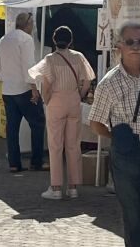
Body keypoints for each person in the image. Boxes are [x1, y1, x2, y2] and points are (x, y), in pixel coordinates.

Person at [88, 22, 140, 247]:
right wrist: (118, 138)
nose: (136, 46)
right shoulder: (109, 83)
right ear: (119, 46)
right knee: (133, 215)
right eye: (130, 42)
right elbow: (96, 122)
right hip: (128, 154)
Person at [28, 26, 95, 200]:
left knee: (55, 145)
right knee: (73, 145)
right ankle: (73, 187)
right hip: (73, 100)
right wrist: (79, 95)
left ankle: (56, 187)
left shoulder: (50, 59)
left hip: (56, 101)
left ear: (54, 40)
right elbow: (87, 80)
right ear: (71, 40)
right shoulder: (78, 56)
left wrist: (47, 99)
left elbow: (45, 82)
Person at [0, 12, 46, 172]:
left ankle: (14, 163)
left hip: (9, 90)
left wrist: (7, 78)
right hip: (24, 89)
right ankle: (36, 162)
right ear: (28, 24)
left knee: (12, 129)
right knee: (38, 124)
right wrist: (34, 88)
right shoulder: (26, 39)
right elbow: (28, 65)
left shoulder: (3, 39)